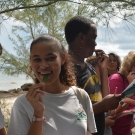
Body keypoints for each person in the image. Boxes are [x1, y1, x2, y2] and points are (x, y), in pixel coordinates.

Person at [7, 34, 97, 135]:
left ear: (62, 58)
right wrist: (38, 114)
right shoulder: (23, 104)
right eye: (37, 59)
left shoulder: (81, 96)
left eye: (50, 58)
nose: (43, 66)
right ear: (31, 61)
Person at [64, 15, 122, 135]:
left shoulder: (88, 67)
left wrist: (103, 69)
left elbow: (104, 97)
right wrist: (102, 106)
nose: (96, 44)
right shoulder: (66, 71)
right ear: (81, 38)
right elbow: (69, 115)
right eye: (93, 38)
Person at [109, 51, 135, 135]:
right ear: (128, 66)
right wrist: (131, 87)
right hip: (114, 131)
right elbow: (113, 110)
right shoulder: (116, 79)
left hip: (126, 130)